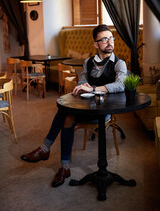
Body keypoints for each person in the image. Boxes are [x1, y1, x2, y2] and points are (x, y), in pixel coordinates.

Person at [21, 24, 127, 187]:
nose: (109, 42)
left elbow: (120, 85)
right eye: (104, 39)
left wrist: (92, 88)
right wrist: (80, 88)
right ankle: (64, 167)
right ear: (96, 44)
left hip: (105, 110)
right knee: (67, 113)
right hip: (87, 107)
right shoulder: (88, 62)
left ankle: (46, 150)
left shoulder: (119, 64)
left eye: (110, 38)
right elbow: (83, 81)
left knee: (65, 113)